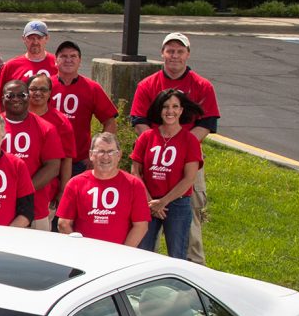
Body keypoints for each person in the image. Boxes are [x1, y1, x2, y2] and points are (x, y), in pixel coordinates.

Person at [130, 32, 219, 264]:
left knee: (189, 221)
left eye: (180, 51)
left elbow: (207, 124)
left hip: (188, 160)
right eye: (170, 51)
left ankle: (193, 270)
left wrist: (182, 144)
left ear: (187, 54)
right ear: (162, 53)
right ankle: (148, 267)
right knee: (147, 218)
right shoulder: (147, 85)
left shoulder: (202, 86)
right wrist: (157, 141)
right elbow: (138, 120)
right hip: (153, 158)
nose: (174, 56)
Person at [130, 88, 204, 258]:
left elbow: (189, 178)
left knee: (177, 254)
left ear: (181, 110)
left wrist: (162, 202)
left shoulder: (190, 140)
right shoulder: (147, 137)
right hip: (147, 202)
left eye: (175, 106)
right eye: (165, 106)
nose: (170, 111)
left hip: (177, 204)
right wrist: (150, 202)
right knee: (141, 254)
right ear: (159, 109)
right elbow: (135, 171)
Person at [55, 133, 152, 248]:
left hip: (118, 258)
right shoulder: (75, 183)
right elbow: (63, 223)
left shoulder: (134, 185)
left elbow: (141, 226)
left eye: (111, 152)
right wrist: (80, 251)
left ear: (119, 155)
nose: (106, 157)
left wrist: (123, 254)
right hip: (83, 257)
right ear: (91, 155)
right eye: (100, 151)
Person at [0, 77, 68, 227]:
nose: (16, 99)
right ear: (3, 98)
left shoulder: (46, 128)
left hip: (36, 207)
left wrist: (21, 192)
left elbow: (53, 167)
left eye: (21, 95)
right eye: (10, 95)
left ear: (28, 97)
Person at [49, 41, 119, 174]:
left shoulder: (92, 88)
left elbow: (109, 121)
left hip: (79, 160)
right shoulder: (45, 86)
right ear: (55, 61)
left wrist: (97, 153)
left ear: (80, 61)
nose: (68, 60)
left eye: (73, 56)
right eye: (63, 56)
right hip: (48, 159)